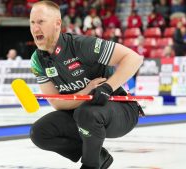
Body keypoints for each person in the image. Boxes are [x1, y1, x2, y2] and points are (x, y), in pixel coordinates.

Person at [29, 1, 144, 169]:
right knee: (40, 132)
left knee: (85, 113)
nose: (35, 28)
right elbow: (57, 103)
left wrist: (107, 87)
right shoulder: (37, 60)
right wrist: (86, 92)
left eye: (41, 22)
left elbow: (134, 59)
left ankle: (90, 165)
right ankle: (99, 157)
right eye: (32, 22)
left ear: (57, 23)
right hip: (83, 112)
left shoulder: (82, 45)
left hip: (121, 109)